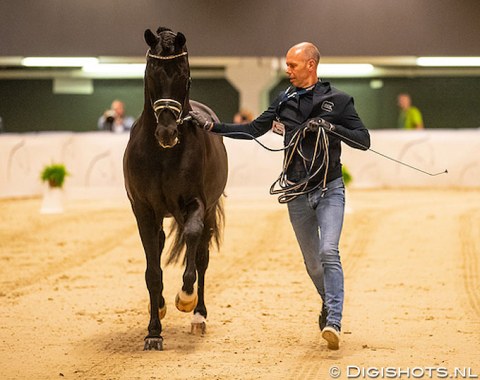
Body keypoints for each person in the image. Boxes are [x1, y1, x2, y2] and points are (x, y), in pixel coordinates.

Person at [189, 42, 370, 350]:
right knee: (313, 264)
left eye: (292, 65)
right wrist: (212, 127)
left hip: (329, 189)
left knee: (328, 252)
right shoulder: (283, 99)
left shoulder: (338, 101)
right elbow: (253, 129)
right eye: (287, 64)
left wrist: (330, 127)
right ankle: (328, 303)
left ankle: (334, 320)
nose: (287, 70)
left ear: (310, 65)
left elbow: (363, 140)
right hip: (296, 193)